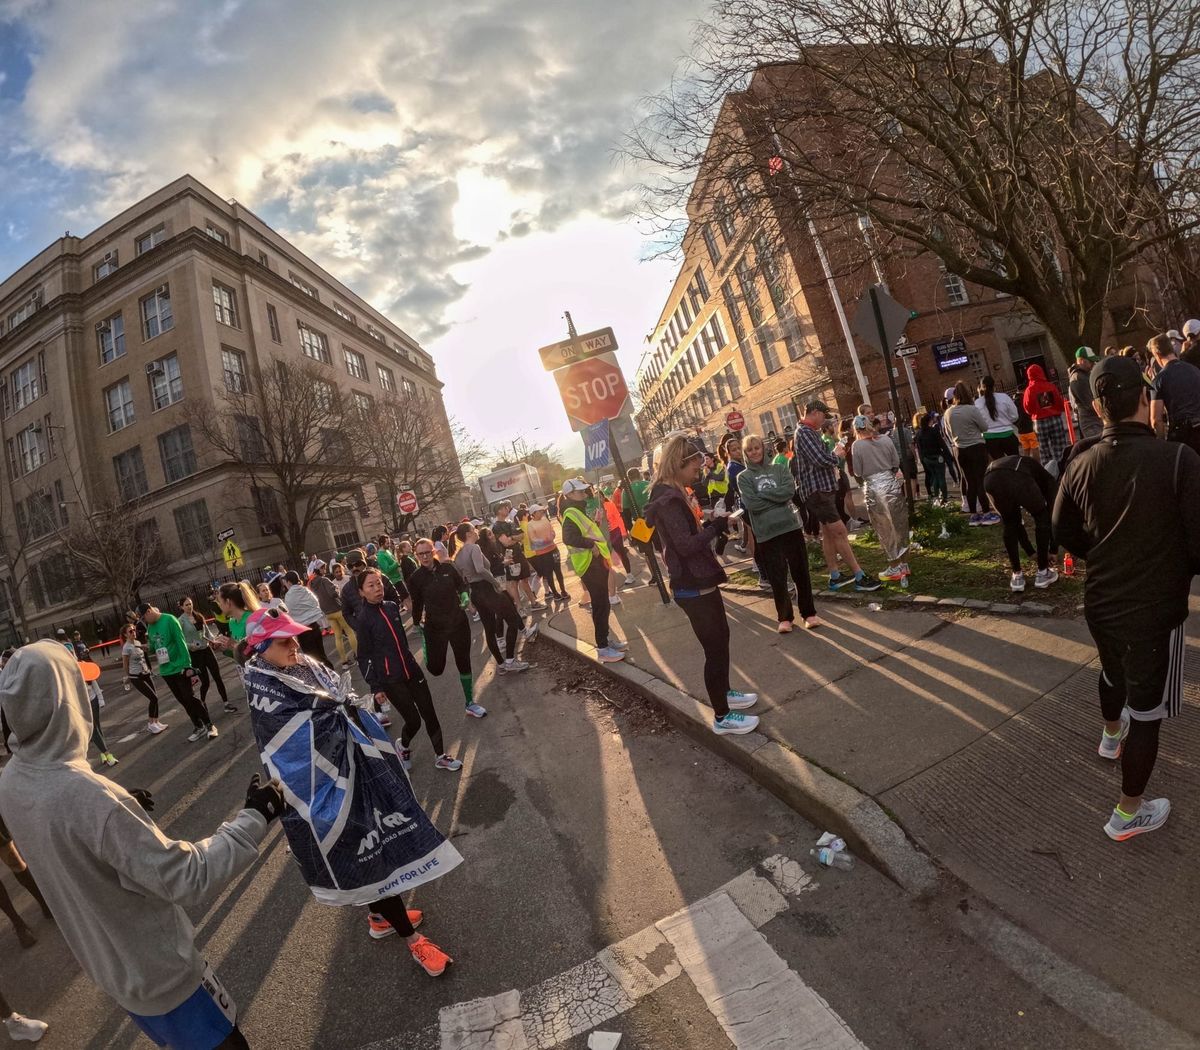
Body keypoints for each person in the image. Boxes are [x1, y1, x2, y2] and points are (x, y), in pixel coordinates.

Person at [0, 639, 282, 1048]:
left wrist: (115, 806)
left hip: (116, 975)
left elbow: (61, 826)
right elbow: (187, 877)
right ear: (66, 703)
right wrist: (255, 816)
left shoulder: (12, 780)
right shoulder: (89, 798)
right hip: (166, 979)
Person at [241, 608, 459, 974]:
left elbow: (333, 697)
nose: (294, 645)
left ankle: (380, 918)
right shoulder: (264, 687)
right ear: (261, 647)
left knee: (369, 842)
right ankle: (414, 941)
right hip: (321, 784)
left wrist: (350, 708)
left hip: (353, 767)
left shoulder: (298, 665)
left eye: (293, 637)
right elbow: (291, 741)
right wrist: (338, 713)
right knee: (365, 849)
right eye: (283, 641)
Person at [1053, 355, 1200, 840]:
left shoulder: (1079, 462)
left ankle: (1110, 735)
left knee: (1112, 672)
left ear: (1098, 409)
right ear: (1144, 397)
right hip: (1155, 612)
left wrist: (1101, 553)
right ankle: (1127, 812)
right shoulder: (1178, 459)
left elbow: (1061, 530)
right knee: (1149, 712)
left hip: (1101, 603)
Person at [645, 435, 759, 735]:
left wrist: (710, 526)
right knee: (714, 648)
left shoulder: (673, 493)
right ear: (679, 463)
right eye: (695, 465)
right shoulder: (668, 500)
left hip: (699, 580)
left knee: (721, 638)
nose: (699, 470)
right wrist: (715, 527)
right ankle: (722, 716)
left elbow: (685, 538)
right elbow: (685, 545)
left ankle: (725, 693)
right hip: (692, 584)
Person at [354, 569, 463, 772]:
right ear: (361, 592)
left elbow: (401, 641)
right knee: (413, 721)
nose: (377, 588)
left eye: (379, 583)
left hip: (412, 670)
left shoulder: (391, 607)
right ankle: (403, 746)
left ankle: (441, 756)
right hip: (391, 680)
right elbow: (364, 656)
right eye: (371, 585)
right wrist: (376, 687)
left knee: (429, 713)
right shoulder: (363, 619)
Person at [793, 400, 882, 591]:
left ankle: (835, 576)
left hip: (819, 490)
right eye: (823, 416)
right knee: (840, 532)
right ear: (815, 412)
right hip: (817, 491)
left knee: (828, 534)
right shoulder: (805, 432)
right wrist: (837, 455)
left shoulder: (808, 432)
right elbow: (821, 460)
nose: (824, 421)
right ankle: (859, 576)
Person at [735, 434, 819, 632]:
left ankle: (809, 613)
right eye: (750, 450)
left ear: (763, 448)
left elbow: (788, 492)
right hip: (766, 533)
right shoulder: (743, 477)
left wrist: (763, 494)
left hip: (789, 527)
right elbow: (752, 504)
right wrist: (776, 498)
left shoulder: (779, 469)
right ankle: (785, 617)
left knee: (800, 572)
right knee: (777, 577)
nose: (754, 452)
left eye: (757, 447)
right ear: (745, 453)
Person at [409, 539, 486, 718]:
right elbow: (417, 603)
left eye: (427, 552)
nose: (425, 557)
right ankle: (428, 649)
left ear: (433, 551)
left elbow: (461, 585)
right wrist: (416, 624)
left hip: (458, 622)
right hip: (435, 628)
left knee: (463, 661)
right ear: (416, 556)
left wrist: (465, 596)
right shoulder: (415, 578)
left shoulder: (448, 568)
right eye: (420, 554)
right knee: (436, 669)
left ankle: (470, 703)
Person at [559, 479, 625, 662]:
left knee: (602, 604)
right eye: (580, 492)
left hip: (593, 563)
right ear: (570, 495)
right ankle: (603, 647)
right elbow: (568, 538)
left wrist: (596, 522)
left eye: (583, 491)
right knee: (600, 605)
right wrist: (591, 545)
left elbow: (583, 532)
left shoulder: (576, 511)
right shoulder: (571, 512)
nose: (584, 494)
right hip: (589, 564)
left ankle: (605, 641)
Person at [453, 523, 530, 673]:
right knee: (512, 620)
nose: (476, 531)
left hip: (476, 592)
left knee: (489, 629)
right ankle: (510, 660)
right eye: (473, 529)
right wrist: (495, 583)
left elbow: (462, 578)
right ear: (468, 534)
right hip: (487, 589)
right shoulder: (474, 548)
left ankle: (501, 664)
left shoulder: (459, 554)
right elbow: (480, 569)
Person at [139, 603, 216, 741]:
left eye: (144, 618)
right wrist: (148, 648)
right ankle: (198, 726)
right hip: (165, 669)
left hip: (179, 666)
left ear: (149, 611)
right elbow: (154, 646)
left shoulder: (169, 620)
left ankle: (209, 725)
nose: (144, 622)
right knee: (182, 700)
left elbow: (181, 642)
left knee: (189, 697)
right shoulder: (150, 627)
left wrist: (187, 665)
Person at [983, 456, 1059, 592]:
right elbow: (1053, 518)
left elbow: (1016, 523)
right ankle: (1043, 572)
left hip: (989, 478)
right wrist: (1053, 550)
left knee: (1010, 522)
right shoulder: (1050, 482)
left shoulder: (1031, 468)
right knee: (1041, 517)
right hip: (1016, 474)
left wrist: (1031, 552)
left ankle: (1017, 576)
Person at [850, 415, 911, 582]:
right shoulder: (886, 439)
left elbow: (858, 471)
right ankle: (904, 563)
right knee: (900, 524)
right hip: (891, 483)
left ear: (856, 430)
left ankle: (894, 566)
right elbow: (895, 461)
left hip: (874, 487)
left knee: (884, 528)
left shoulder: (857, 445)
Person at [943, 382, 1000, 526]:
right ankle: (986, 512)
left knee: (969, 482)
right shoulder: (972, 409)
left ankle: (973, 515)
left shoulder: (948, 413)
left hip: (960, 449)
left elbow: (948, 433)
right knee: (980, 480)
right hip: (976, 447)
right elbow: (984, 427)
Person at [1147, 332, 1200, 456]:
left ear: (1157, 354)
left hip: (1183, 436)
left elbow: (1156, 420)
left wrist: (1162, 445)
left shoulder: (1159, 380)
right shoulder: (1195, 370)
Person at [180, 597, 235, 714]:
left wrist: (213, 640)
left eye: (190, 604)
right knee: (205, 682)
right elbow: (181, 640)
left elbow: (207, 632)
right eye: (186, 605)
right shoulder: (181, 621)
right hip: (196, 654)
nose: (189, 606)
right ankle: (203, 702)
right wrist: (190, 646)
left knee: (217, 677)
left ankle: (226, 703)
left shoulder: (198, 616)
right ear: (181, 607)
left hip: (207, 650)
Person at [1021, 364, 1068, 475]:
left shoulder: (1029, 390)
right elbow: (1059, 402)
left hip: (1040, 422)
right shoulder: (1051, 386)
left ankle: (1049, 473)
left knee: (1044, 449)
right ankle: (1063, 470)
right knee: (1060, 447)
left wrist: (1035, 412)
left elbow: (1027, 408)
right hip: (1055, 419)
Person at [121, 623, 166, 734]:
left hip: (146, 673)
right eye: (130, 631)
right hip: (136, 676)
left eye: (134, 630)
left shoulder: (138, 643)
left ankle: (156, 721)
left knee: (155, 697)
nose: (133, 632)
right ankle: (150, 724)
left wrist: (149, 669)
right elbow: (125, 664)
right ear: (125, 635)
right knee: (153, 698)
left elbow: (143, 658)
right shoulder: (126, 648)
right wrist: (128, 676)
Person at [311, 562, 356, 669]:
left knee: (338, 637)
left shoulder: (313, 584)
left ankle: (344, 662)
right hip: (337, 609)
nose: (325, 569)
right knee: (350, 632)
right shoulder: (324, 580)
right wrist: (336, 588)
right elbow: (333, 593)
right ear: (319, 569)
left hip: (328, 613)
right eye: (323, 568)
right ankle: (359, 656)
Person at [280, 571, 331, 666]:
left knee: (313, 659)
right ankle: (330, 670)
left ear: (289, 582)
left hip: (303, 631)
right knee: (321, 653)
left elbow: (289, 612)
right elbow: (315, 602)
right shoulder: (305, 590)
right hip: (315, 627)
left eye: (285, 582)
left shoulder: (289, 595)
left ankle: (324, 672)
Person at [525, 504, 568, 601]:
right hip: (542, 554)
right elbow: (533, 539)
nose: (542, 512)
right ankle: (555, 593)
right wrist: (544, 540)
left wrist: (552, 536)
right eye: (539, 511)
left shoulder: (545, 519)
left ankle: (563, 590)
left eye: (542, 511)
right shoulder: (530, 525)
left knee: (558, 571)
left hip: (553, 549)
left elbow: (552, 531)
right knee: (548, 574)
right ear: (533, 513)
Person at [975, 375, 1021, 459]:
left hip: (989, 438)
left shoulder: (977, 403)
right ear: (994, 386)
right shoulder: (1004, 397)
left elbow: (977, 422)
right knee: (1015, 462)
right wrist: (1006, 421)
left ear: (981, 388)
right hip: (1007, 435)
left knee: (999, 465)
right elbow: (1015, 416)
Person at [913, 410, 949, 502]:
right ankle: (944, 497)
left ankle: (936, 496)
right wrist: (947, 454)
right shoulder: (934, 431)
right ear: (929, 421)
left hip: (927, 459)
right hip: (937, 456)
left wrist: (923, 459)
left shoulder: (919, 433)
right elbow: (942, 444)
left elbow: (919, 447)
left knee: (934, 476)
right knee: (941, 477)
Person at [1068, 347, 1104, 440]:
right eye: (1090, 361)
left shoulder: (1084, 375)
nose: (1093, 364)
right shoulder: (1078, 378)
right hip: (1091, 423)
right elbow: (1090, 403)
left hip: (1095, 420)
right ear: (1082, 361)